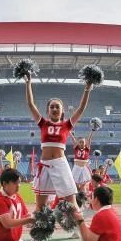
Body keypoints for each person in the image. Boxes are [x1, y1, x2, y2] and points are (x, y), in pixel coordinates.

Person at [24, 71, 92, 214]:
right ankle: (38, 236)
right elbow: (30, 104)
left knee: (71, 202)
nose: (54, 109)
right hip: (44, 165)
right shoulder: (42, 123)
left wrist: (87, 89)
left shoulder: (67, 125)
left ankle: (79, 230)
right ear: (48, 111)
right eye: (52, 107)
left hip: (60, 163)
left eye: (57, 107)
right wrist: (28, 83)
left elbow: (81, 109)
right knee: (40, 206)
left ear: (62, 111)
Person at [70, 129, 95, 196]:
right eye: (80, 142)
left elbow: (89, 139)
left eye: (83, 142)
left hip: (84, 168)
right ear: (78, 143)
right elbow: (72, 138)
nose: (81, 143)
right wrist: (69, 131)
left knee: (84, 184)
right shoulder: (76, 148)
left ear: (85, 143)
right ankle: (76, 194)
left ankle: (82, 196)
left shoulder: (87, 149)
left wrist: (92, 131)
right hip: (77, 167)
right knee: (74, 183)